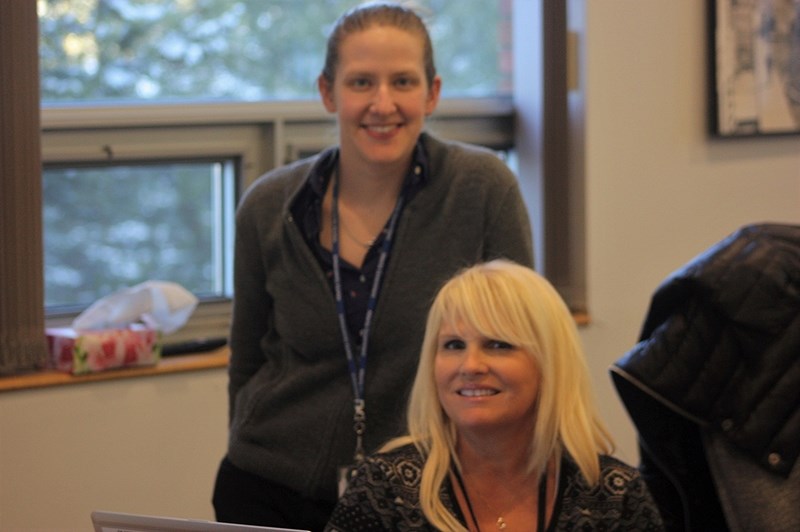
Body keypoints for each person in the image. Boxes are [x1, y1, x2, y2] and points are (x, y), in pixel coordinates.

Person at [212, 3, 534, 531]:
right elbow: (246, 361)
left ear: (431, 93)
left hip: (425, 493)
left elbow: (522, 353)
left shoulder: (482, 190)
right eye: (361, 82)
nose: (382, 104)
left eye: (402, 82)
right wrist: (242, 441)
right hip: (267, 486)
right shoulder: (268, 207)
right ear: (327, 92)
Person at [326, 260, 665, 531]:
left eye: (498, 345)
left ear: (550, 364)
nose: (471, 365)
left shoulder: (613, 494)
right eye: (454, 345)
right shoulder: (385, 489)